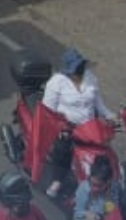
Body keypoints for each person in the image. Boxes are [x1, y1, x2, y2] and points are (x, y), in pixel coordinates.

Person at [39, 48, 116, 199]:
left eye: (81, 66)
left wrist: (110, 115)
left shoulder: (91, 78)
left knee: (105, 150)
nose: (80, 70)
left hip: (89, 128)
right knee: (62, 150)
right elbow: (48, 111)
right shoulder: (56, 83)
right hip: (66, 127)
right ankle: (57, 180)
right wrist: (60, 126)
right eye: (76, 67)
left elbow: (98, 104)